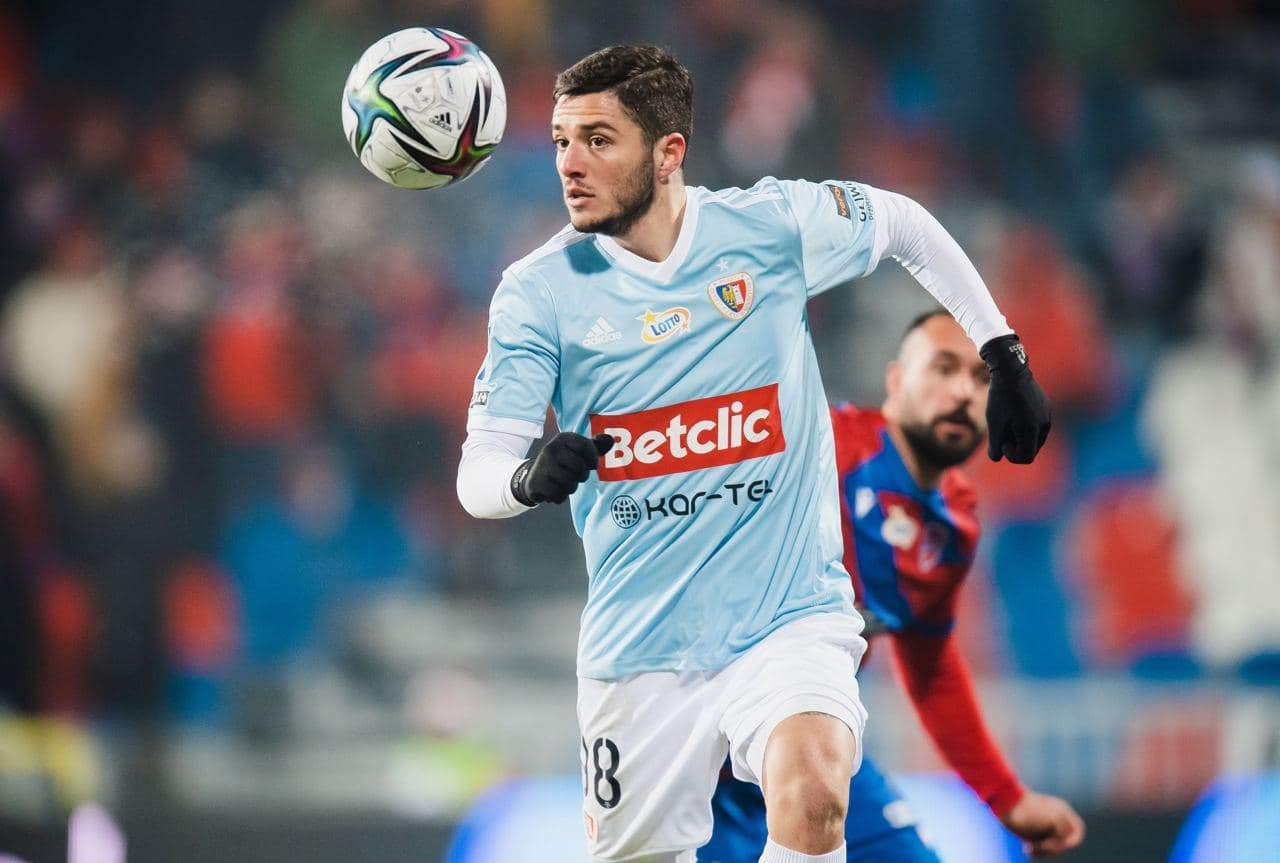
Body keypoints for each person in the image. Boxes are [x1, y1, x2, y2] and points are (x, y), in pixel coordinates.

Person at [455, 44, 1051, 863]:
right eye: (561, 140)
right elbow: (479, 472)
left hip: (787, 616)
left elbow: (905, 225)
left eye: (597, 139)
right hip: (640, 643)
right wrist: (525, 479)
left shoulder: (769, 227)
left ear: (668, 153)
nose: (569, 163)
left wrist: (1002, 352)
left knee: (814, 794)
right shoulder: (538, 290)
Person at [702, 310, 1085, 861]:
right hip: (697, 759)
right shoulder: (822, 446)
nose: (962, 392)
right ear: (897, 381)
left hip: (810, 749)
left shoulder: (953, 525)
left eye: (982, 379)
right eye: (943, 369)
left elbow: (930, 668)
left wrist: (1007, 799)